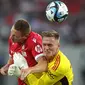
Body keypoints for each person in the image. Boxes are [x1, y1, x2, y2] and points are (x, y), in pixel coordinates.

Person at [0, 19, 47, 85]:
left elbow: (43, 65)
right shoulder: (12, 39)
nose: (11, 37)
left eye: (15, 36)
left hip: (37, 82)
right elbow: (12, 58)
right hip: (23, 81)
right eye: (11, 33)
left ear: (25, 36)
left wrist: (28, 70)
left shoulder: (35, 41)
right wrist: (7, 66)